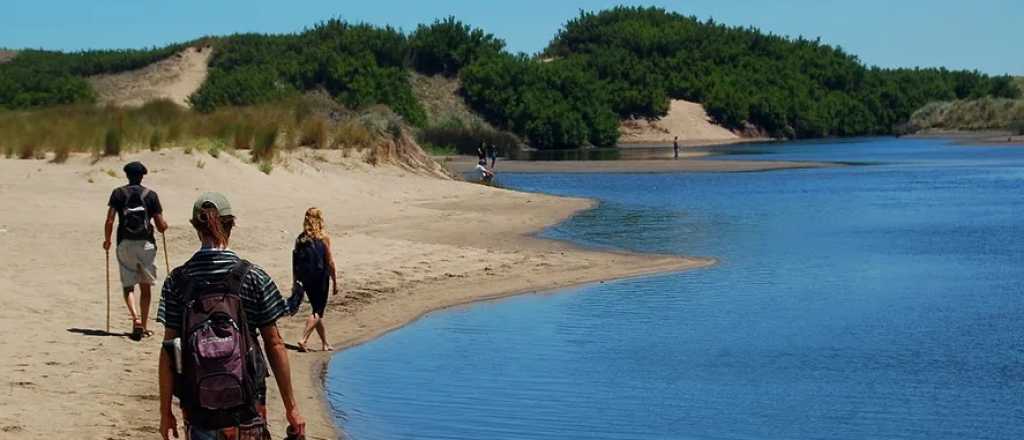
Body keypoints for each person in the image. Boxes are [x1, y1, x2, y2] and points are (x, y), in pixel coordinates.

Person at [157, 192, 305, 440]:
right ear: (231, 224)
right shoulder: (253, 276)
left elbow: (169, 349)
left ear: (196, 227)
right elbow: (274, 343)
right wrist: (292, 408)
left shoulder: (177, 280)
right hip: (248, 403)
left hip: (198, 405)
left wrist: (165, 413)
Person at [103, 161, 168, 341]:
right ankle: (144, 326)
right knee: (145, 287)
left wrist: (107, 240)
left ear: (127, 175)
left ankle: (136, 318)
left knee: (128, 285)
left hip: (125, 243)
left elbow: (109, 221)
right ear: (142, 176)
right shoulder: (151, 195)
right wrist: (164, 227)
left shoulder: (118, 193)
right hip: (146, 244)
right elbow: (160, 225)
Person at [291, 207, 339, 352]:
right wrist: (335, 281)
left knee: (317, 311)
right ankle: (303, 339)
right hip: (320, 277)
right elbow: (330, 261)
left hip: (306, 278)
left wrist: (295, 281)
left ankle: (324, 343)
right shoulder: (323, 237)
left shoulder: (300, 238)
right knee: (318, 311)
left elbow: (295, 261)